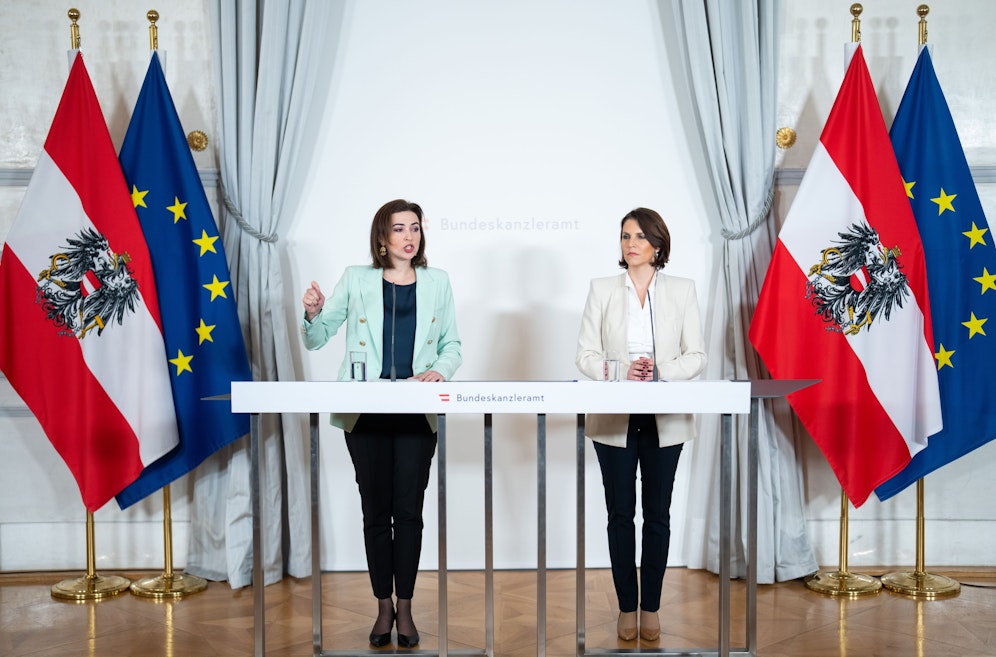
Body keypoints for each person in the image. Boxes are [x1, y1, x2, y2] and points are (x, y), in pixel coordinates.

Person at [301, 199, 462, 648]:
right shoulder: (357, 279)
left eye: (414, 228)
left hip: (415, 413)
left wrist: (440, 371)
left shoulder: (438, 282)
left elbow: (453, 345)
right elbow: (318, 337)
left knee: (408, 512)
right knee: (376, 511)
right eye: (398, 229)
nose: (408, 237)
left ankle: (406, 607)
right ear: (382, 238)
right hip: (365, 412)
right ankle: (382, 606)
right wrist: (313, 311)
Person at [575, 207, 707, 642]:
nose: (631, 244)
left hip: (664, 418)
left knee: (658, 516)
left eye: (640, 237)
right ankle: (626, 608)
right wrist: (619, 370)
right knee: (619, 516)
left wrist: (660, 371)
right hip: (614, 417)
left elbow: (698, 357)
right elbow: (585, 356)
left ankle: (651, 607)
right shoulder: (601, 289)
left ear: (658, 245)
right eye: (625, 236)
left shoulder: (682, 290)